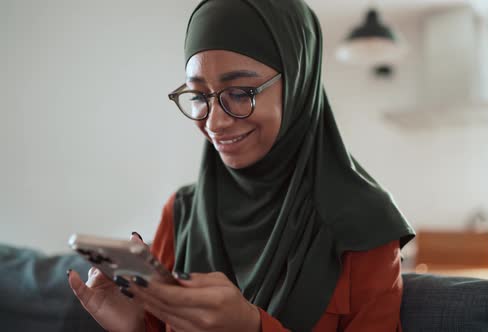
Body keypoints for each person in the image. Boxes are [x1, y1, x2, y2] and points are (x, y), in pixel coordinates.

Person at [67, 0, 415, 331]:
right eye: (200, 96)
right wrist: (136, 326)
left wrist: (252, 327)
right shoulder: (182, 213)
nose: (215, 123)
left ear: (298, 84)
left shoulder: (364, 225)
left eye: (240, 93)